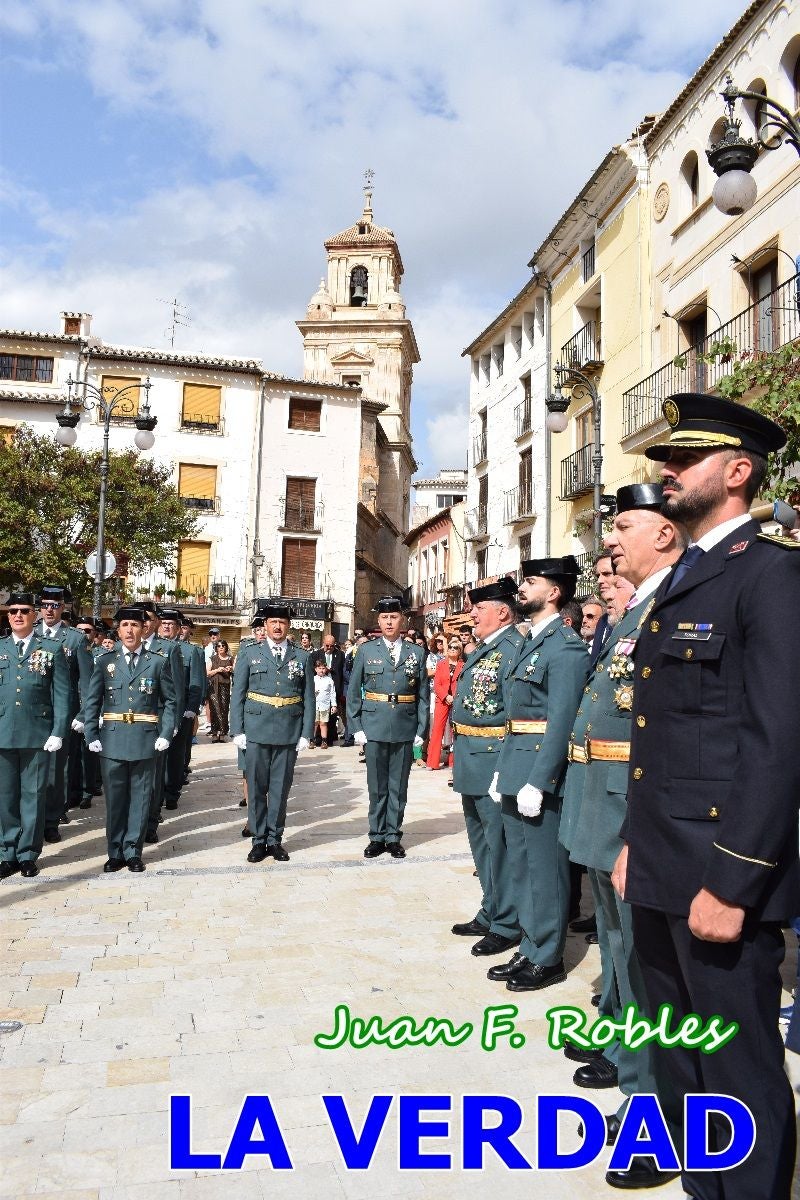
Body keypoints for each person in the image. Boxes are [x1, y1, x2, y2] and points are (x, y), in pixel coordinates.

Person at [612, 393, 800, 1200]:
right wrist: (631, 844)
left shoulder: (773, 570)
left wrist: (734, 881)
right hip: (659, 864)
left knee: (739, 1065)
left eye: (682, 460)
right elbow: (664, 736)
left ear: (736, 471)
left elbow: (777, 740)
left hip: (720, 872)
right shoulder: (689, 573)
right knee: (679, 1054)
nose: (665, 470)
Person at [560, 485, 684, 1178]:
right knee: (624, 965)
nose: (610, 547)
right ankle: (640, 1094)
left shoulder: (668, 610)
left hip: (634, 820)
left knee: (647, 974)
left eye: (624, 531)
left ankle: (658, 1120)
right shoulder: (635, 611)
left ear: (664, 536)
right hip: (603, 813)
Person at [490, 556, 589, 992]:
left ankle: (548, 954)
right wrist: (503, 771)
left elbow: (562, 718)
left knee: (545, 868)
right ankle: (530, 944)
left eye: (531, 582)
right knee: (523, 865)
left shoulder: (564, 647)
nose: (522, 588)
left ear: (554, 593)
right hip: (515, 763)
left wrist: (541, 778)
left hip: (537, 774)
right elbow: (516, 716)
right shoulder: (532, 641)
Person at [450, 577, 524, 956]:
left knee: (499, 846)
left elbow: (515, 714)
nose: (473, 615)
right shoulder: (486, 648)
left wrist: (506, 767)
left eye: (479, 609)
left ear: (502, 612)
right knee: (481, 844)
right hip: (470, 757)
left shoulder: (512, 649)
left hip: (492, 758)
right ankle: (491, 907)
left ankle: (507, 921)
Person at [83, 605, 175, 873]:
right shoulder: (104, 661)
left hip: (145, 739)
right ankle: (115, 852)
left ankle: (133, 851)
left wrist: (166, 732)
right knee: (115, 800)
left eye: (135, 625)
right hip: (111, 740)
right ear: (118, 630)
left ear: (143, 629)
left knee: (140, 798)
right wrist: (91, 732)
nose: (130, 630)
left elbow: (170, 701)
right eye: (125, 625)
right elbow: (92, 701)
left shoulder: (157, 661)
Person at [230, 601, 314, 863]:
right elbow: (238, 694)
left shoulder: (302, 656)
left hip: (288, 730)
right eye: (272, 622)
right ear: (265, 626)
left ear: (288, 626)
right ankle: (258, 840)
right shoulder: (248, 653)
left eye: (282, 622)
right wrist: (237, 729)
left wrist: (305, 733)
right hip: (256, 730)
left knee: (280, 788)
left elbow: (308, 696)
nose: (277, 626)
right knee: (255, 787)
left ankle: (275, 839)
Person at [346, 597, 429, 859]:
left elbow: (423, 695)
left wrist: (421, 730)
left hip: (404, 725)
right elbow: (353, 693)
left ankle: (393, 836)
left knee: (398, 786)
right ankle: (376, 835)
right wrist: (356, 726)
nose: (389, 621)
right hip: (374, 725)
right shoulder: (367, 651)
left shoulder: (416, 653)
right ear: (378, 621)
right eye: (384, 617)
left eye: (394, 617)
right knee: (377, 785)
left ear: (402, 620)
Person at [0, 592, 70, 878]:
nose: (18, 615)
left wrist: (58, 730)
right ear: (8, 616)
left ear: (35, 615)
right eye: (13, 611)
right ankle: (7, 852)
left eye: (25, 611)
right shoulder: (0, 648)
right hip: (3, 733)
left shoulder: (51, 648)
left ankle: (28, 853)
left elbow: (63, 695)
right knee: (5, 797)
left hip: (38, 734)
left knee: (33, 796)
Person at [34, 586, 93, 844]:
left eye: (54, 605)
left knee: (57, 771)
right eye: (45, 604)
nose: (49, 609)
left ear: (63, 608)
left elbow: (87, 681)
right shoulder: (31, 633)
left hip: (62, 713)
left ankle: (51, 820)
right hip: (32, 713)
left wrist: (83, 712)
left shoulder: (75, 638)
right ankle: (32, 819)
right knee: (31, 769)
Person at [140, 602, 185, 845]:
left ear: (156, 621)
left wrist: (173, 724)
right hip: (129, 723)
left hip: (157, 722)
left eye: (148, 618)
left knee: (154, 776)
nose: (143, 623)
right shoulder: (121, 648)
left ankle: (150, 822)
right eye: (139, 619)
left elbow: (175, 691)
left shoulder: (168, 649)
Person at [158, 608, 205, 811]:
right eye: (164, 623)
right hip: (156, 711)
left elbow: (196, 683)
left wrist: (191, 709)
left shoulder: (190, 651)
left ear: (178, 629)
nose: (167, 626)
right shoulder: (151, 649)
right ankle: (156, 793)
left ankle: (172, 793)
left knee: (175, 755)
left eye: (172, 624)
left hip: (180, 711)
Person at [426, 637, 463, 771]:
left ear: (460, 651)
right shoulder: (441, 664)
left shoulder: (463, 666)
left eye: (456, 648)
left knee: (456, 731)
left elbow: (463, 684)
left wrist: (454, 697)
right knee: (437, 730)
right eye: (451, 647)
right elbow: (437, 683)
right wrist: (445, 696)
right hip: (442, 700)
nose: (453, 650)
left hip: (456, 700)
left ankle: (453, 761)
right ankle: (432, 762)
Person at [310, 635, 345, 745]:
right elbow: (311, 670)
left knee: (332, 715)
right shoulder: (316, 654)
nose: (329, 647)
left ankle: (329, 738)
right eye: (327, 645)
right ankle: (317, 739)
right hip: (319, 690)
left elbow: (342, 672)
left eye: (331, 646)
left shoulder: (340, 654)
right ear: (323, 643)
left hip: (334, 688)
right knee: (317, 718)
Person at [589, 554, 615, 664]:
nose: (599, 580)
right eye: (597, 576)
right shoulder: (603, 621)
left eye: (606, 574)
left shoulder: (634, 614)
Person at [207, 639, 234, 742]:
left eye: (223, 645)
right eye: (219, 646)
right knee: (215, 709)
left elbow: (236, 671)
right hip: (213, 686)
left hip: (225, 687)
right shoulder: (212, 659)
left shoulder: (231, 658)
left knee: (224, 709)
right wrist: (218, 670)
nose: (221, 647)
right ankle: (214, 732)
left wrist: (230, 669)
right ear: (216, 648)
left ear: (226, 647)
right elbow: (207, 673)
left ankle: (222, 733)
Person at [311, 660, 337, 749]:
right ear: (315, 669)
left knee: (323, 723)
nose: (321, 670)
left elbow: (332, 693)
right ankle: (312, 740)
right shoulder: (313, 679)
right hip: (314, 705)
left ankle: (324, 741)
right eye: (319, 668)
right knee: (314, 723)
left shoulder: (329, 680)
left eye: (323, 668)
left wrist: (334, 705)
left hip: (325, 705)